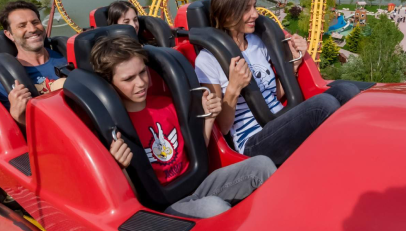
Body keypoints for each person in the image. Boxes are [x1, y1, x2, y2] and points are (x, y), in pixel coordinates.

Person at [91, 35, 275, 219]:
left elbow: (196, 151)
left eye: (142, 72)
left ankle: (279, 220)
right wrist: (118, 167)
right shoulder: (114, 130)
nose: (140, 83)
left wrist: (209, 118)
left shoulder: (167, 104)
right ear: (109, 84)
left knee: (262, 164)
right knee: (215, 208)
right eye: (128, 79)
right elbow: (129, 200)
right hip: (165, 206)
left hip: (197, 184)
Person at [195, 0, 359, 166]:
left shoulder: (257, 42)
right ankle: (338, 161)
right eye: (246, 9)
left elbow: (274, 94)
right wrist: (233, 89)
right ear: (227, 15)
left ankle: (348, 154)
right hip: (251, 141)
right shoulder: (207, 60)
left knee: (347, 90)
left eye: (254, 6)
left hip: (279, 120)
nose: (255, 14)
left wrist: (295, 64)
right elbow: (223, 128)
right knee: (323, 105)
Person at [0, 0, 68, 126]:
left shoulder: (66, 56)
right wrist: (17, 116)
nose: (32, 29)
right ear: (9, 34)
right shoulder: (3, 83)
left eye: (35, 22)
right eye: (22, 26)